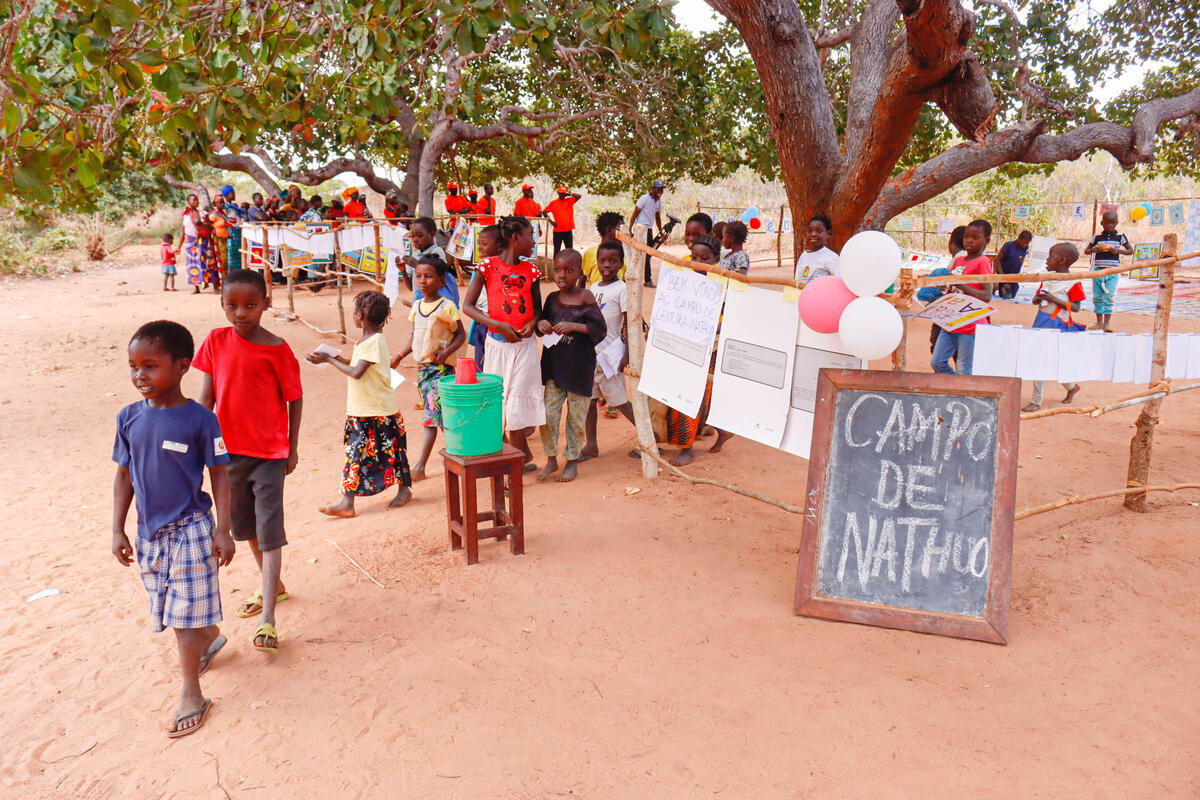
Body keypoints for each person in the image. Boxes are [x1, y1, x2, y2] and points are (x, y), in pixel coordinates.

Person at [112, 320, 235, 738]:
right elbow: (124, 476)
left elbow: (220, 473)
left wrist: (223, 529)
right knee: (171, 607)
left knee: (181, 617)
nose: (139, 375)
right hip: (149, 534)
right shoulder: (129, 418)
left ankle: (191, 692)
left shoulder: (201, 420)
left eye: (150, 366)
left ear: (182, 366)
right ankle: (210, 636)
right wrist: (117, 529)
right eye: (133, 366)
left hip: (191, 529)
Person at [193, 269, 303, 654]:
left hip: (269, 454)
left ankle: (268, 617)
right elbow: (206, 399)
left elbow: (295, 398)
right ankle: (274, 585)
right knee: (247, 529)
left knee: (269, 530)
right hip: (228, 454)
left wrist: (291, 447)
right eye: (232, 305)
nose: (241, 313)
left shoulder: (278, 349)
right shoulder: (215, 341)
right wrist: (197, 444)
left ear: (266, 305)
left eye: (251, 305)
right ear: (222, 304)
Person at [306, 290, 413, 517]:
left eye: (355, 311)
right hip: (364, 409)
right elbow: (357, 365)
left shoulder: (374, 341)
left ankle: (402, 490)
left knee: (388, 451)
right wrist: (334, 358)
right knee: (359, 453)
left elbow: (356, 372)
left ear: (361, 315)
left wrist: (330, 359)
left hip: (377, 410)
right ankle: (348, 501)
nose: (353, 315)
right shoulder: (365, 341)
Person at [462, 216, 545, 469]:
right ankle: (519, 457)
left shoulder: (531, 271)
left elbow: (537, 309)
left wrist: (533, 323)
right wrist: (498, 325)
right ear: (515, 238)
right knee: (498, 404)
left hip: (524, 348)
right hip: (497, 346)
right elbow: (468, 306)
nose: (534, 241)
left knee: (516, 407)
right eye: (531, 236)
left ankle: (513, 467)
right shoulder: (487, 267)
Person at [390, 255, 468, 481]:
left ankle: (420, 466)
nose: (422, 281)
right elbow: (415, 336)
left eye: (429, 276)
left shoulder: (447, 307)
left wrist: (445, 353)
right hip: (423, 372)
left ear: (442, 280)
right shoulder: (417, 306)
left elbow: (460, 335)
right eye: (419, 276)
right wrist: (399, 356)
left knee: (432, 418)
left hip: (440, 372)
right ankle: (462, 453)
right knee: (442, 416)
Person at [536, 249, 607, 483]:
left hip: (579, 369)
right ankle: (551, 459)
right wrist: (542, 324)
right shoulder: (552, 299)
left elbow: (600, 329)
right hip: (555, 368)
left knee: (576, 418)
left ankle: (572, 461)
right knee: (549, 415)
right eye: (557, 269)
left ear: (579, 272)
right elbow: (541, 324)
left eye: (569, 270)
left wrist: (574, 326)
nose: (562, 275)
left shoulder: (586, 297)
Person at [663, 234, 730, 466]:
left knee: (692, 396)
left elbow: (729, 316)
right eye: (695, 257)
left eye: (705, 258)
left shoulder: (722, 282)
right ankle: (720, 430)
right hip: (686, 343)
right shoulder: (684, 279)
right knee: (686, 394)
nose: (698, 263)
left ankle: (687, 448)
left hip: (709, 347)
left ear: (716, 259)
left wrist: (706, 324)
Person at [581, 240, 635, 459]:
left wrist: (626, 354)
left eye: (613, 261)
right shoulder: (594, 288)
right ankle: (591, 445)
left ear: (621, 263)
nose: (607, 265)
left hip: (610, 357)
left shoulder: (622, 289)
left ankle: (651, 438)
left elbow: (628, 323)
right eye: (603, 260)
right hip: (591, 356)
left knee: (620, 401)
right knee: (589, 401)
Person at [1023, 242, 1085, 412]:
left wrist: (1053, 299)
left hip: (1058, 328)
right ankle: (1039, 399)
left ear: (1062, 260)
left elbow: (1076, 308)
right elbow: (1037, 300)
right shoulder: (1047, 278)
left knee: (1053, 362)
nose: (1047, 260)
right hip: (1042, 324)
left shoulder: (1072, 282)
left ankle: (1069, 387)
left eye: (1050, 256)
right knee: (1041, 361)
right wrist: (1037, 298)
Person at [931, 219, 994, 375]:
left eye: (975, 237)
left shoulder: (983, 262)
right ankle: (955, 385)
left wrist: (960, 285)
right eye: (966, 237)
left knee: (964, 367)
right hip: (952, 321)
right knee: (937, 362)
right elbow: (955, 289)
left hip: (971, 324)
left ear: (986, 241)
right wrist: (947, 288)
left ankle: (962, 390)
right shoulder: (959, 260)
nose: (969, 241)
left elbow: (987, 296)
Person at [920, 225, 968, 355]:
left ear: (951, 242)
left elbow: (955, 287)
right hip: (960, 308)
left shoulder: (960, 257)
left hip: (954, 309)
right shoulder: (965, 257)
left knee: (939, 346)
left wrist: (937, 300)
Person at [1085, 210, 1132, 331]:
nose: (1110, 225)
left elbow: (1130, 250)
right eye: (1107, 223)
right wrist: (1094, 250)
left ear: (1116, 223)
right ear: (1102, 223)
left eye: (1112, 223)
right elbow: (1086, 251)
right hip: (1098, 271)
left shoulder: (1120, 236)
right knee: (1097, 296)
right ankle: (1099, 322)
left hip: (1112, 271)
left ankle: (1106, 324)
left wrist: (1118, 251)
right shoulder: (1097, 237)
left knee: (1109, 295)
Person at [402, 217, 459, 305]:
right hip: (418, 305)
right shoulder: (415, 255)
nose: (415, 239)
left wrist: (417, 265)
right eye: (413, 236)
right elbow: (411, 287)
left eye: (420, 236)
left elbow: (439, 274)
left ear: (432, 234)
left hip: (436, 304)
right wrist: (403, 270)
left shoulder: (437, 252)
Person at [468, 225, 501, 370]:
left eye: (484, 244)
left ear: (499, 246)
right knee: (481, 364)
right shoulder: (478, 271)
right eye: (479, 244)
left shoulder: (502, 272)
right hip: (482, 323)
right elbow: (470, 303)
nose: (480, 248)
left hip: (497, 326)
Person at [179, 193, 218, 293]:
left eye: (197, 200)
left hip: (204, 241)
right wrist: (179, 247)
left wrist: (202, 225)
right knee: (192, 264)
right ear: (189, 202)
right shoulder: (185, 216)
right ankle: (196, 287)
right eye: (194, 200)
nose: (196, 202)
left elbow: (211, 226)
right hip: (191, 243)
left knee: (209, 263)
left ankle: (215, 286)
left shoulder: (203, 214)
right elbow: (183, 232)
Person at [629, 180, 665, 287]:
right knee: (638, 254)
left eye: (662, 189)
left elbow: (657, 218)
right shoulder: (644, 198)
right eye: (658, 189)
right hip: (640, 228)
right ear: (653, 189)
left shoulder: (658, 202)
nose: (660, 191)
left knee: (647, 254)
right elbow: (635, 213)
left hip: (649, 229)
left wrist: (660, 232)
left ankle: (646, 280)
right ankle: (639, 278)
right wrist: (630, 228)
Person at [581, 212, 625, 285]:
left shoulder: (623, 253)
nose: (625, 232)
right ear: (609, 230)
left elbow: (624, 280)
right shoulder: (590, 253)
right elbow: (582, 278)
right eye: (621, 228)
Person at [794, 214, 839, 281]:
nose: (813, 234)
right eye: (810, 231)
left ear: (828, 233)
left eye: (819, 231)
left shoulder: (831, 257)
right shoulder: (804, 256)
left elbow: (838, 281)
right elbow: (797, 280)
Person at [993, 230, 1031, 300]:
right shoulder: (1008, 246)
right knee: (1005, 296)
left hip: (1014, 274)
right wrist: (1002, 276)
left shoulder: (1025, 247)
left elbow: (1021, 257)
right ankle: (996, 285)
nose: (1025, 245)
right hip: (1004, 272)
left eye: (1027, 243)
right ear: (1019, 238)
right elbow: (997, 260)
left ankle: (998, 286)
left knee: (1012, 295)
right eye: (1024, 243)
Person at [544, 186, 582, 255]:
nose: (562, 195)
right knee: (557, 250)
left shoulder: (569, 201)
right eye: (561, 193)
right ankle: (556, 262)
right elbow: (544, 212)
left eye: (564, 193)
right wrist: (551, 222)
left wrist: (569, 194)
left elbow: (579, 196)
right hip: (557, 231)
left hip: (568, 230)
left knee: (569, 250)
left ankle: (570, 262)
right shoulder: (553, 203)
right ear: (558, 193)